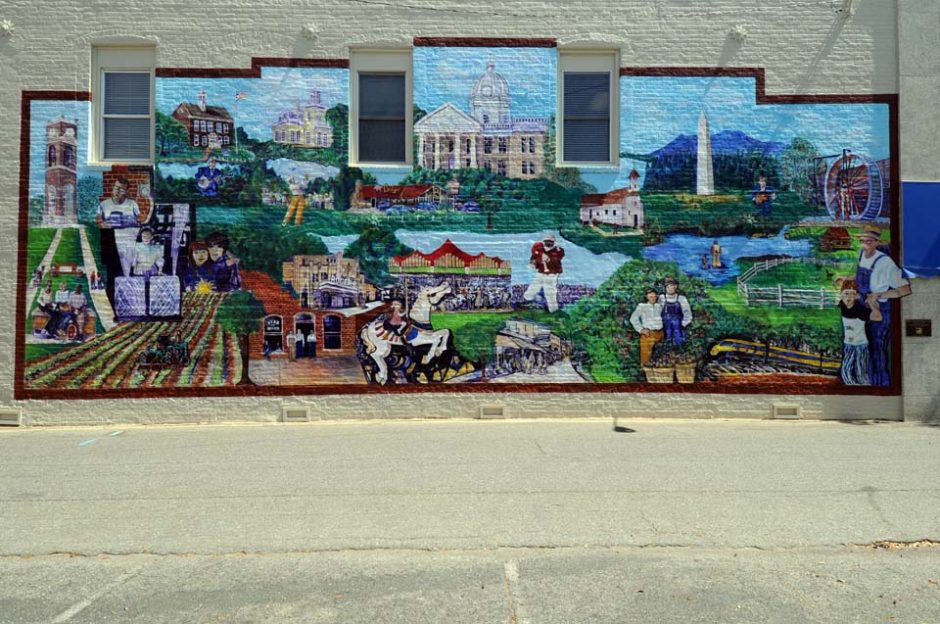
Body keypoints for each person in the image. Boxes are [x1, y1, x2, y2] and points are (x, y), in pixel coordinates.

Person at [853, 227, 911, 387]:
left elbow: (905, 289)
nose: (865, 245)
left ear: (877, 243)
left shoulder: (885, 263)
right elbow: (862, 278)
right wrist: (847, 278)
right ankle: (871, 382)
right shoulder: (862, 256)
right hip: (864, 308)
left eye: (869, 242)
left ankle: (881, 385)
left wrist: (880, 295)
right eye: (862, 241)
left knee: (878, 351)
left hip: (880, 312)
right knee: (867, 347)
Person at [96, 177, 142, 277]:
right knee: (112, 272)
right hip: (111, 242)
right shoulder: (103, 204)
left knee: (128, 272)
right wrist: (105, 225)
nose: (117, 191)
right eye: (116, 188)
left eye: (121, 189)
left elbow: (139, 222)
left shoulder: (133, 204)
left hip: (128, 242)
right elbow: (97, 224)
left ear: (126, 191)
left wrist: (127, 221)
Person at [837, 279, 870, 386]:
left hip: (861, 344)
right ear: (841, 294)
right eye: (846, 293)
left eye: (853, 294)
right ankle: (852, 387)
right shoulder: (841, 306)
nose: (849, 297)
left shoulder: (860, 310)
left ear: (856, 296)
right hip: (848, 344)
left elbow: (874, 316)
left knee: (861, 371)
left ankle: (864, 387)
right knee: (846, 369)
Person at [523, 233, 565, 313]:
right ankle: (527, 299)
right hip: (541, 271)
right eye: (546, 241)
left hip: (552, 273)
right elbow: (534, 256)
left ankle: (553, 310)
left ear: (553, 242)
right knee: (534, 286)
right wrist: (533, 262)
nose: (548, 243)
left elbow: (556, 260)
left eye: (550, 241)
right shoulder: (539, 247)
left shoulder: (558, 250)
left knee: (550, 291)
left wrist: (548, 258)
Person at [629, 288, 665, 366]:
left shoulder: (659, 306)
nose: (653, 298)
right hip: (648, 334)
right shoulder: (642, 306)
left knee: (661, 356)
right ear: (647, 297)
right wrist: (641, 329)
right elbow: (633, 318)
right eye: (650, 296)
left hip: (660, 333)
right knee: (646, 356)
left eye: (654, 296)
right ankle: (645, 374)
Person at [659, 277, 693, 346]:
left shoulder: (681, 298)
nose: (670, 288)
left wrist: (684, 324)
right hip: (665, 326)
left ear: (675, 286)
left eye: (672, 286)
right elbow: (657, 312)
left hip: (678, 327)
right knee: (665, 343)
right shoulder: (661, 298)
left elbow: (687, 313)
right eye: (668, 286)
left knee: (679, 344)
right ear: (665, 287)